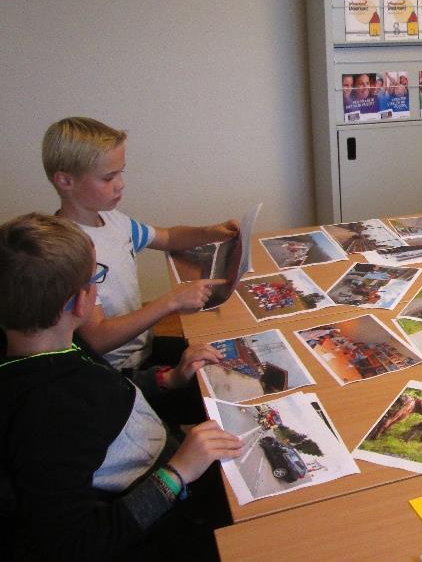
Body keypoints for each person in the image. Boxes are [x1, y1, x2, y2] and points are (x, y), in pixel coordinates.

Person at [0, 213, 243, 559]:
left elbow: (109, 391)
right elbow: (77, 543)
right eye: (96, 277)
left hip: (165, 454)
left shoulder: (49, 344)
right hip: (162, 508)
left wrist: (168, 378)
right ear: (82, 301)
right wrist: (177, 473)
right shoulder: (47, 417)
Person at [42, 116, 237, 372]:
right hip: (117, 374)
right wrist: (171, 302)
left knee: (220, 354)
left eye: (120, 173)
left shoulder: (112, 219)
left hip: (144, 347)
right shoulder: (66, 251)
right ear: (65, 181)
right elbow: (97, 339)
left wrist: (210, 232)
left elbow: (167, 237)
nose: (120, 184)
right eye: (108, 178)